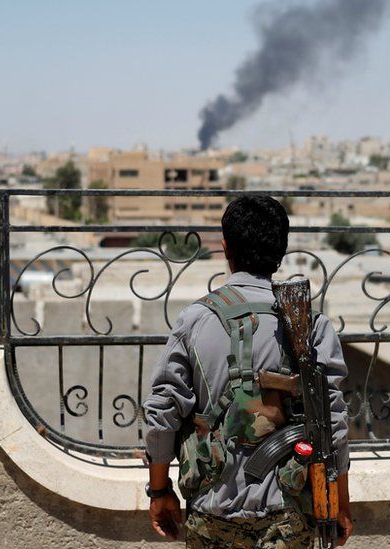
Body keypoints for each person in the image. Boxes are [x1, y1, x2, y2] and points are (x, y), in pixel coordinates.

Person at [142, 196, 353, 548]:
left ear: (225, 248)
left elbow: (163, 409)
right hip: (288, 516)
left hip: (212, 514)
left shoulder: (195, 320)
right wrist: (339, 503)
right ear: (281, 251)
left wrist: (160, 490)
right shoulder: (314, 327)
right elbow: (334, 422)